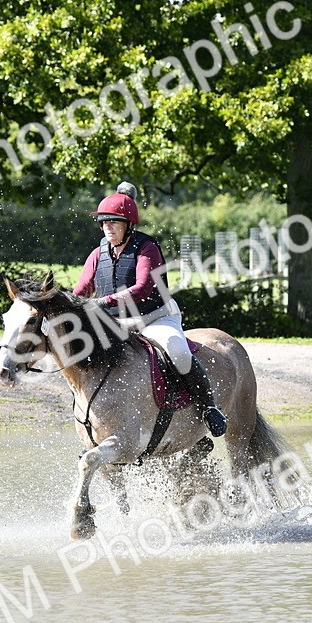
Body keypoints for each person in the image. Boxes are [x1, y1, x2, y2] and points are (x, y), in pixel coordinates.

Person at [72, 182, 228, 438]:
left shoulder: (147, 248)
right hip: (117, 324)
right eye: (103, 222)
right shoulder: (97, 254)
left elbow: (143, 288)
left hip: (155, 317)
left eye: (114, 222)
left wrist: (103, 302)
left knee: (177, 350)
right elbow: (81, 291)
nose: (107, 227)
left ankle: (208, 408)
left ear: (128, 225)